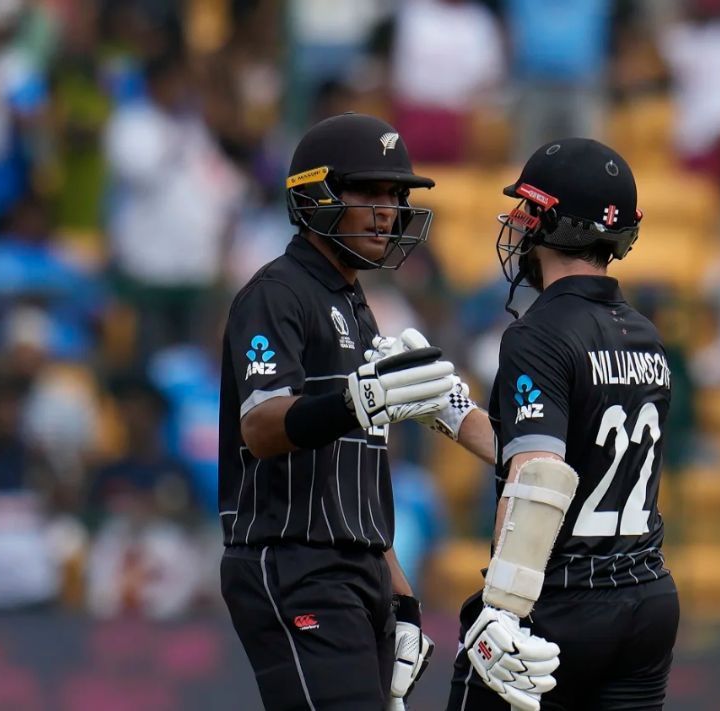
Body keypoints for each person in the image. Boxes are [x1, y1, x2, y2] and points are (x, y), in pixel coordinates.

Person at [373, 138, 681, 710]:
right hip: (646, 596)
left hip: (563, 598)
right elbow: (569, 457)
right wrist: (455, 412)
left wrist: (504, 607)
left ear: (551, 221)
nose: (518, 224)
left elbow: (540, 473)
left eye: (528, 210)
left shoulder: (538, 332)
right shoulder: (644, 332)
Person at [217, 112, 455, 710]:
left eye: (395, 195)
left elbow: (357, 475)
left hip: (354, 568)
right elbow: (262, 426)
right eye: (368, 192)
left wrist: (399, 595)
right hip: (294, 560)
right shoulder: (277, 293)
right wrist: (358, 400)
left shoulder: (355, 302)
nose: (388, 210)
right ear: (317, 196)